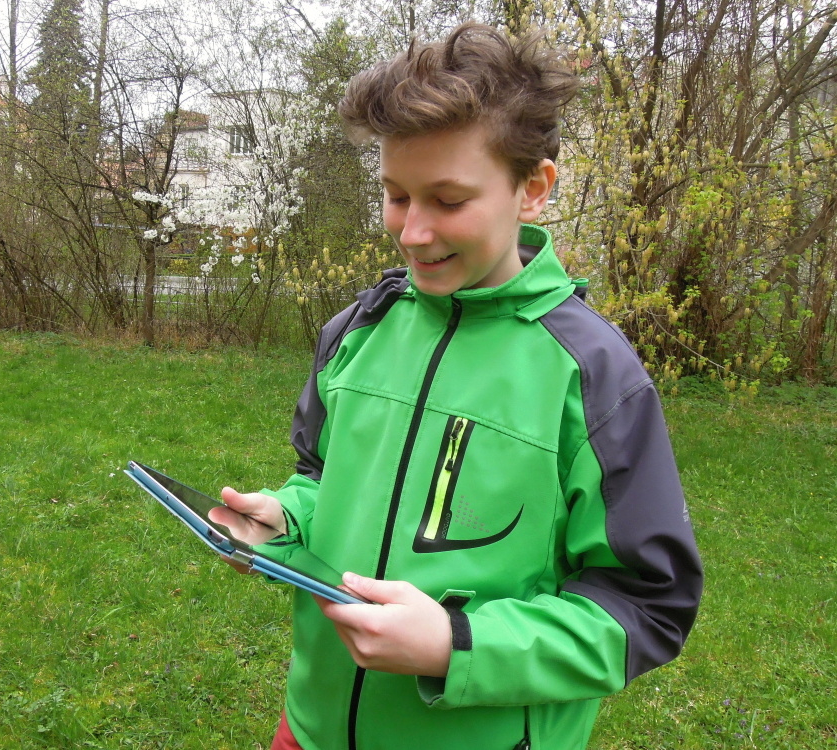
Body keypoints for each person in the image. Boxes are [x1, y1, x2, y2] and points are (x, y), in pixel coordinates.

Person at [209, 21, 703, 750]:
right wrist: (288, 520)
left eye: (447, 200)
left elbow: (646, 607)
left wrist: (455, 644)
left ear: (532, 189)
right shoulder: (359, 329)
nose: (412, 231)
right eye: (396, 195)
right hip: (309, 731)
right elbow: (322, 479)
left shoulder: (593, 376)